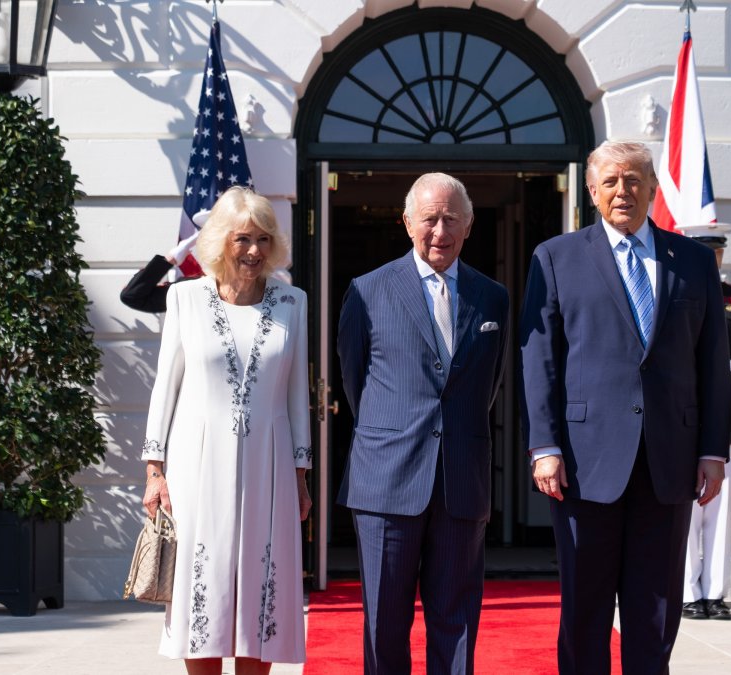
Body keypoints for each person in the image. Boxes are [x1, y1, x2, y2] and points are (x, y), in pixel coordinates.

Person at [518, 140, 731, 674]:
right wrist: (544, 446)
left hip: (670, 460)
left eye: (634, 179)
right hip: (582, 464)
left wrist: (713, 451)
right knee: (585, 608)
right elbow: (539, 360)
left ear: (653, 189)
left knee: (656, 611)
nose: (622, 191)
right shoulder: (555, 258)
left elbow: (712, 364)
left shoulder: (694, 262)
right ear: (591, 191)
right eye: (610, 181)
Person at [336, 173, 509, 675]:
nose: (439, 230)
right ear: (407, 222)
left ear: (469, 224)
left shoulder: (492, 297)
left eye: (451, 219)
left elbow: (489, 384)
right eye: (429, 219)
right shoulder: (367, 291)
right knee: (384, 625)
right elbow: (355, 382)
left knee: (456, 623)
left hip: (461, 479)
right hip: (386, 482)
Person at [140, 187, 312, 675]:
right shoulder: (184, 299)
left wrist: (301, 476)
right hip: (196, 469)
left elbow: (297, 393)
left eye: (262, 239)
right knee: (205, 591)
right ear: (220, 242)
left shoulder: (293, 303)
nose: (254, 251)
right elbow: (164, 390)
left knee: (263, 589)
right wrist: (156, 472)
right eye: (242, 239)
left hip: (271, 467)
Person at [677, 222, 731, 622]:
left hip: (728, 414)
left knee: (721, 511)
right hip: (684, 416)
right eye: (705, 249)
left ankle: (715, 593)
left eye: (716, 251)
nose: (712, 257)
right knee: (685, 512)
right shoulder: (675, 292)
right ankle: (687, 590)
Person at [119, 211, 207, 313]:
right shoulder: (189, 286)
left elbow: (130, 297)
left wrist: (171, 259)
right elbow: (131, 297)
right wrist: (170, 259)